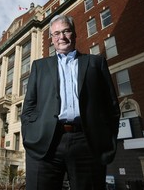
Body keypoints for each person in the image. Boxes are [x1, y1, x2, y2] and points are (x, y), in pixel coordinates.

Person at [21, 15, 120, 190]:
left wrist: (108, 138)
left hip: (87, 143)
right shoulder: (39, 66)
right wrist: (30, 135)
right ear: (52, 38)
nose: (62, 37)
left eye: (66, 31)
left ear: (74, 34)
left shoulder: (95, 63)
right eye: (56, 33)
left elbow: (111, 105)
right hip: (45, 143)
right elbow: (29, 107)